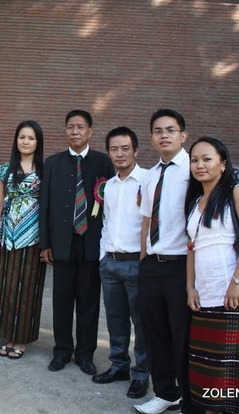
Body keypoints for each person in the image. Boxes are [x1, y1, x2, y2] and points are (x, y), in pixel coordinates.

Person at [184, 136, 239, 414]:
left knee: (229, 377)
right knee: (206, 374)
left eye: (207, 159)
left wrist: (237, 281)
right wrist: (190, 288)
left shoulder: (236, 192)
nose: (200, 165)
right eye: (195, 160)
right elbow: (192, 247)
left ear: (223, 163)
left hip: (232, 298)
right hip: (203, 299)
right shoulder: (196, 201)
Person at [39, 109, 114, 375]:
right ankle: (61, 351)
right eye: (70, 127)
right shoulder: (53, 163)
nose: (75, 131)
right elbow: (45, 205)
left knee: (88, 301)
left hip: (92, 243)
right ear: (65, 130)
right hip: (62, 243)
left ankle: (85, 354)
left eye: (80, 127)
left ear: (90, 131)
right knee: (61, 300)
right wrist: (45, 244)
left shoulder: (103, 162)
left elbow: (110, 205)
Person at [134, 109, 194, 414]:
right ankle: (166, 393)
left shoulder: (194, 171)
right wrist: (144, 258)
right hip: (152, 265)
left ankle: (191, 396)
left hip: (182, 265)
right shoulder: (150, 175)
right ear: (151, 138)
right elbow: (146, 220)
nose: (164, 135)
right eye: (158, 131)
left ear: (183, 135)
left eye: (170, 130)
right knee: (154, 332)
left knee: (183, 334)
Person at [93, 126, 150, 399]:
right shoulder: (110, 186)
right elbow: (106, 222)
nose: (120, 154)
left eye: (125, 148)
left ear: (136, 150)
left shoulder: (148, 180)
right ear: (108, 153)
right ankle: (119, 366)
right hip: (110, 263)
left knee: (142, 323)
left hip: (137, 263)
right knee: (115, 320)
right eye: (114, 149)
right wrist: (103, 256)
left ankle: (142, 374)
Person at [0, 120, 45, 360]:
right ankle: (8, 336)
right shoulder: (4, 170)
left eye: (31, 138)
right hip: (7, 236)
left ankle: (21, 339)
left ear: (37, 142)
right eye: (22, 137)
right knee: (7, 286)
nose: (26, 141)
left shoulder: (45, 170)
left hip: (33, 236)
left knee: (28, 288)